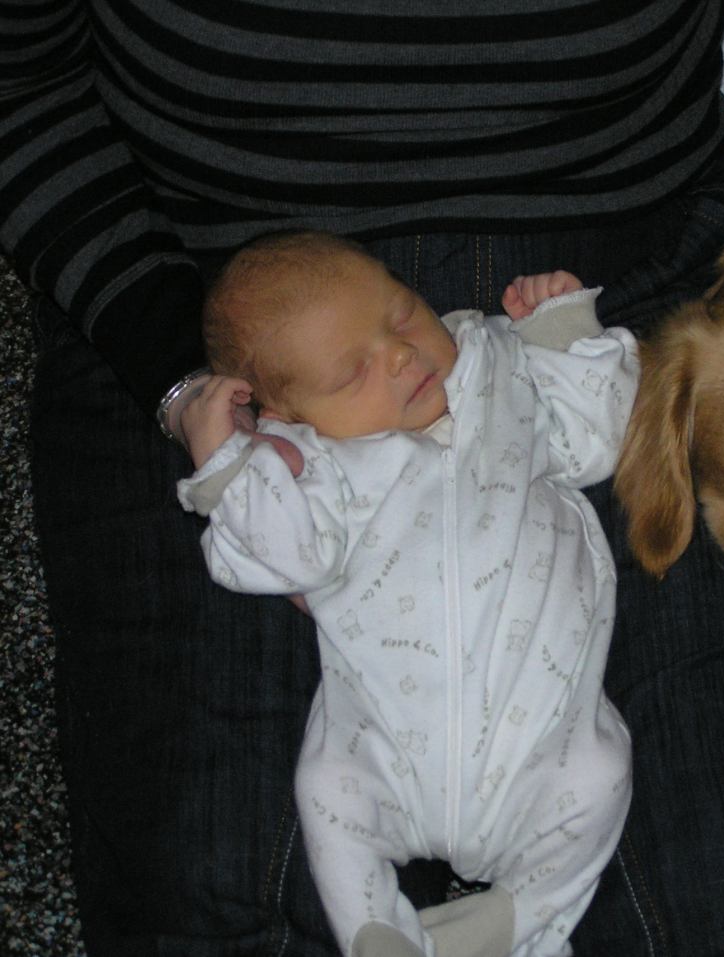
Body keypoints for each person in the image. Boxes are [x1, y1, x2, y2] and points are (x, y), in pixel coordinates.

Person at [1, 2, 724, 954]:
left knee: (703, 914)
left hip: (615, 298)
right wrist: (184, 381)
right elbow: (20, 77)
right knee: (227, 900)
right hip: (226, 308)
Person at [176, 231, 637, 957]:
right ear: (290, 417)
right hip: (385, 751)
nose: (398, 354)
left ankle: (516, 918)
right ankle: (375, 931)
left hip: (541, 738)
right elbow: (272, 558)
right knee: (327, 790)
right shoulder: (318, 470)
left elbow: (595, 441)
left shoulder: (501, 368)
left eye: (401, 315)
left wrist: (562, 334)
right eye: (352, 372)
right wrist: (228, 469)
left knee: (602, 775)